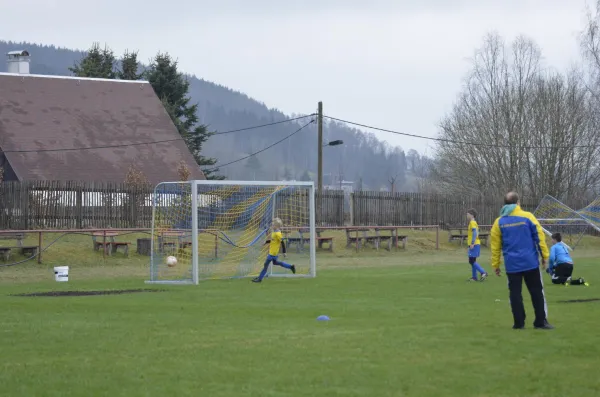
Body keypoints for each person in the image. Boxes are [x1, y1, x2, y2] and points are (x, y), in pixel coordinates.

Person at [490, 191, 554, 330]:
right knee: (537, 292)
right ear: (518, 202)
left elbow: (495, 246)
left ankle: (519, 323)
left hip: (512, 265)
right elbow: (539, 237)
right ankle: (540, 321)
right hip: (530, 262)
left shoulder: (499, 222)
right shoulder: (528, 217)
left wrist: (496, 264)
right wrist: (545, 256)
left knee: (515, 294)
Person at [252, 218, 296, 283]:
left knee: (265, 265)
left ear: (276, 226)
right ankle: (290, 267)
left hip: (273, 253)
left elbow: (282, 242)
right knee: (275, 263)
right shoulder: (274, 232)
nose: (272, 226)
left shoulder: (278, 233)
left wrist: (284, 252)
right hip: (273, 252)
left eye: (273, 225)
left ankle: (260, 278)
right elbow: (273, 240)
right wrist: (266, 242)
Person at [466, 209, 488, 282]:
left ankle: (483, 272)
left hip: (474, 244)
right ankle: (474, 277)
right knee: (473, 260)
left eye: (468, 214)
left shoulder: (472, 222)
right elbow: (477, 232)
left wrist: (472, 243)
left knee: (471, 261)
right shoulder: (474, 222)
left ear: (471, 215)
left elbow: (475, 233)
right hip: (475, 243)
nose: (467, 215)